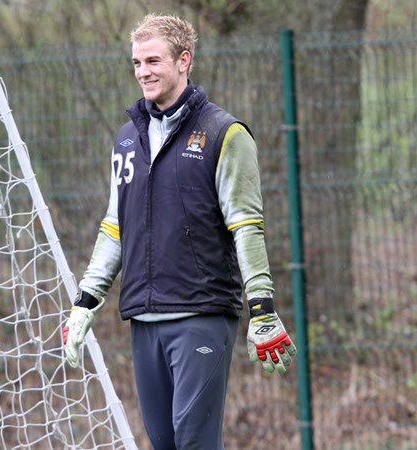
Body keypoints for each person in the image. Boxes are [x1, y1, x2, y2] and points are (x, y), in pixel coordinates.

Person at [62, 14, 297, 450]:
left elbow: (247, 226)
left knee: (194, 442)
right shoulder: (126, 138)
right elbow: (115, 226)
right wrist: (84, 302)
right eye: (136, 63)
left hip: (200, 314)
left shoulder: (225, 133)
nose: (143, 72)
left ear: (183, 60)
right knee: (165, 445)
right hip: (143, 318)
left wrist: (262, 308)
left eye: (153, 61)